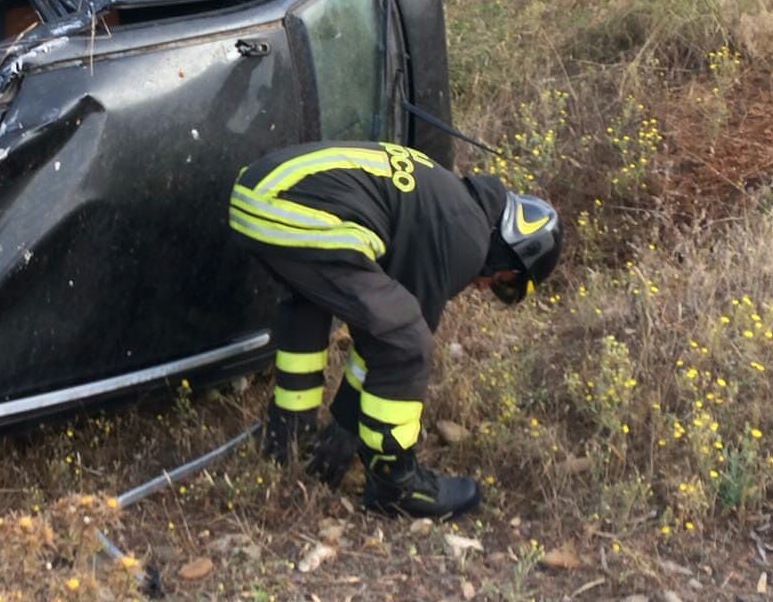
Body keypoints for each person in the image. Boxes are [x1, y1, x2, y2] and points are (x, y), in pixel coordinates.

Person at [228, 141, 562, 519]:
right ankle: (395, 484)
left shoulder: (449, 199)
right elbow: (394, 339)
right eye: (503, 280)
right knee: (407, 339)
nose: (486, 286)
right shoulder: (467, 235)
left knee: (310, 305)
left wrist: (345, 418)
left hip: (256, 195)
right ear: (514, 245)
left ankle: (286, 435)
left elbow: (375, 331)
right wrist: (346, 425)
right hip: (289, 207)